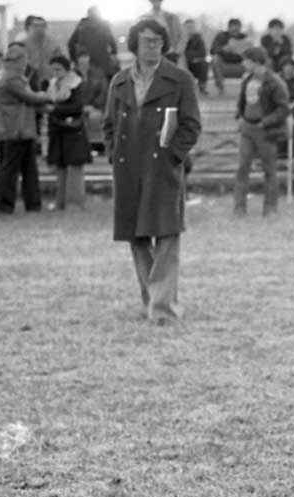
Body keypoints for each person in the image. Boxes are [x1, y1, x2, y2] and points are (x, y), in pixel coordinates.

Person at [103, 19, 201, 325]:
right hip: (129, 167)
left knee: (167, 235)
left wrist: (174, 155)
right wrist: (113, 153)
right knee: (137, 236)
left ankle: (162, 307)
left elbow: (191, 125)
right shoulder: (119, 82)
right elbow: (109, 125)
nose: (153, 46)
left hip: (163, 167)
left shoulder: (180, 80)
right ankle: (152, 300)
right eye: (147, 41)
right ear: (134, 44)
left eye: (159, 41)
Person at [0, 45, 53, 215]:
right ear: (17, 60)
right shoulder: (12, 78)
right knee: (13, 170)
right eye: (24, 60)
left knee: (26, 169)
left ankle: (31, 205)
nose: (25, 64)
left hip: (15, 129)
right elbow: (29, 97)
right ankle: (6, 206)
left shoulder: (2, 75)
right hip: (16, 130)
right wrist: (50, 96)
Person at [233, 47, 290, 217]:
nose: (244, 64)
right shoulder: (247, 80)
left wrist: (265, 122)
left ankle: (270, 207)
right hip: (247, 129)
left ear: (255, 61)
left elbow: (283, 109)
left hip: (266, 131)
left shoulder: (274, 82)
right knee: (243, 168)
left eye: (246, 61)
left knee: (269, 170)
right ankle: (239, 207)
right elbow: (242, 102)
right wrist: (240, 116)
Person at [44, 55, 92, 211]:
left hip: (73, 131)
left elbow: (78, 106)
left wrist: (55, 109)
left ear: (66, 69)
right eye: (53, 70)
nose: (55, 72)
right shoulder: (52, 84)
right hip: (58, 130)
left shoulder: (76, 84)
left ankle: (75, 203)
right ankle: (61, 201)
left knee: (74, 168)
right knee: (61, 168)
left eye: (58, 69)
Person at [67, 6, 120, 81]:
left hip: (85, 63)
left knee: (85, 87)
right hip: (103, 64)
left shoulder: (81, 26)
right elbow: (112, 45)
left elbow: (70, 44)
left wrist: (75, 59)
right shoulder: (104, 26)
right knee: (106, 86)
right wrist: (114, 56)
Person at [21, 15, 63, 91]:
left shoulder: (53, 44)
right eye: (35, 25)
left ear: (46, 27)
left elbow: (61, 64)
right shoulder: (22, 44)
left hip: (50, 83)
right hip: (29, 84)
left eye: (42, 25)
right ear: (29, 27)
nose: (39, 28)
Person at [210, 19, 250, 95]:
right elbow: (212, 50)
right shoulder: (221, 36)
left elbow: (251, 53)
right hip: (224, 65)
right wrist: (224, 49)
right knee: (215, 59)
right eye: (233, 28)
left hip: (240, 66)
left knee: (252, 61)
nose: (235, 31)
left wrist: (245, 51)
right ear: (229, 28)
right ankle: (221, 89)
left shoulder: (244, 38)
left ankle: (247, 91)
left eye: (237, 28)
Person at [182, 20, 209, 96]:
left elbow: (202, 53)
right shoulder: (180, 38)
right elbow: (178, 51)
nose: (190, 29)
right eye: (188, 27)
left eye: (192, 27)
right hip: (182, 63)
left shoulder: (199, 39)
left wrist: (188, 55)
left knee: (204, 63)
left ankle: (202, 88)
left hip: (194, 64)